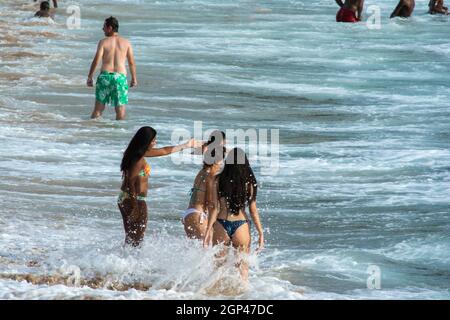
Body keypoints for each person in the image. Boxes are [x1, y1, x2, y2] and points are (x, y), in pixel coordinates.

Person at [118, 126, 202, 247]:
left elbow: (164, 151)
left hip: (127, 198)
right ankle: (128, 262)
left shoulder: (139, 153)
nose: (155, 142)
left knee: (132, 236)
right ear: (145, 141)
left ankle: (125, 261)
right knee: (137, 237)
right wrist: (135, 206)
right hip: (134, 200)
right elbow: (130, 183)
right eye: (153, 140)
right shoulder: (137, 159)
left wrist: (186, 145)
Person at [203, 148, 264, 281]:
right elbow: (253, 210)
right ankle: (243, 296)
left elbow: (214, 208)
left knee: (218, 268)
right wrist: (260, 232)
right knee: (242, 269)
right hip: (241, 226)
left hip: (221, 224)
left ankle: (214, 295)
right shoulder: (249, 183)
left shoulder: (217, 180)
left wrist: (208, 230)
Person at [87, 17, 137, 120]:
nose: (102, 29)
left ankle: (91, 131)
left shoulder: (103, 42)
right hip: (120, 78)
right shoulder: (126, 43)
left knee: (98, 110)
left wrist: (90, 76)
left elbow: (96, 60)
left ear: (110, 28)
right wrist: (134, 78)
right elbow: (131, 62)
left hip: (105, 77)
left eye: (104, 27)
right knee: (120, 111)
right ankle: (118, 133)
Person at [183, 131, 226, 240]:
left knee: (199, 253)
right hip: (199, 216)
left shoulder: (202, 172)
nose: (221, 163)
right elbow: (210, 203)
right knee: (208, 250)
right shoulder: (211, 176)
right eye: (221, 159)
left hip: (190, 213)